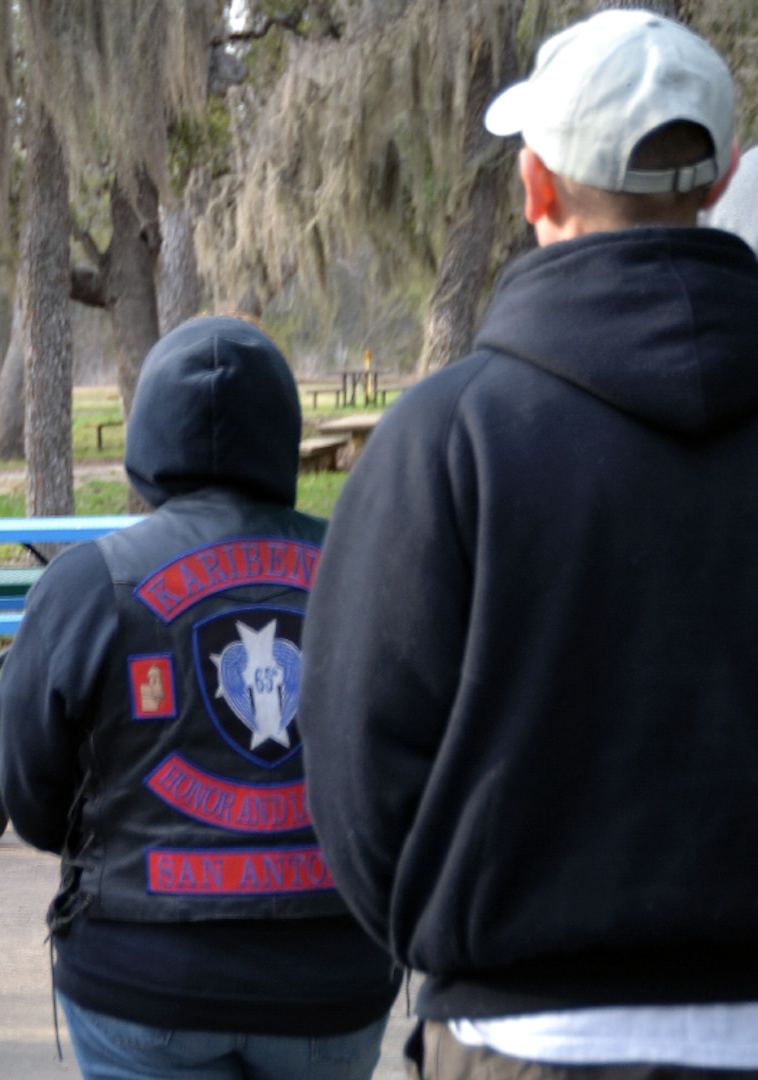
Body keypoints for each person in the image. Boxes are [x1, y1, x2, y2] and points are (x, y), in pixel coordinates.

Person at [298, 11, 758, 1079]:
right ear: (722, 174)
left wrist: (446, 929)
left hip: (519, 1033)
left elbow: (357, 764)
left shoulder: (444, 438)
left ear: (535, 186)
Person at [0, 315, 400, 1080]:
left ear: (147, 433)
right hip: (332, 977)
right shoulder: (368, 563)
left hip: (143, 978)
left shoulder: (88, 582)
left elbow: (27, 786)